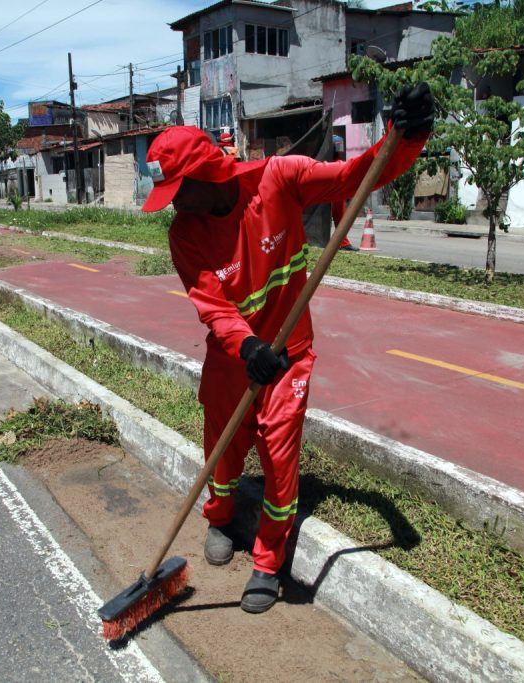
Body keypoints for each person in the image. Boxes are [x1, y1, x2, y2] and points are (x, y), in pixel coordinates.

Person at [140, 82, 434, 614]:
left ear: (207, 173)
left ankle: (268, 563)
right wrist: (247, 344)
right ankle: (221, 519)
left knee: (279, 460)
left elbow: (360, 176)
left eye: (180, 189)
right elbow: (211, 305)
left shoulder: (279, 180)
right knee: (223, 453)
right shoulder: (184, 233)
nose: (174, 204)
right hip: (233, 358)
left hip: (289, 355)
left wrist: (406, 136)